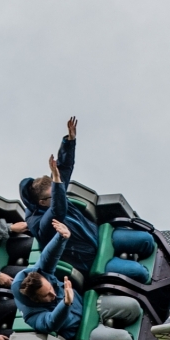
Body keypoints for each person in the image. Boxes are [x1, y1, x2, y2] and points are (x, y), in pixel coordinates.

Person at [19, 118, 156, 280]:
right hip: (87, 260)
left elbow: (64, 167)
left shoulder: (55, 191)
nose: (59, 194)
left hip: (97, 235)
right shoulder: (37, 223)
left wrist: (69, 141)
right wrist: (56, 181)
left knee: (147, 240)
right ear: (42, 202)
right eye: (55, 194)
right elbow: (58, 210)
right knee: (140, 273)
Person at [12, 220, 141, 340]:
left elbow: (48, 256)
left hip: (89, 305)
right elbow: (50, 323)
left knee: (133, 306)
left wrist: (61, 237)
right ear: (36, 299)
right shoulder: (31, 315)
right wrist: (65, 303)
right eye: (46, 295)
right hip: (82, 329)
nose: (53, 293)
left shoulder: (40, 273)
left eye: (50, 288)